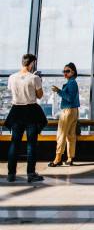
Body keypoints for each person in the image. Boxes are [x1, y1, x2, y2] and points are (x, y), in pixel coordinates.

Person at [5, 54, 47, 183]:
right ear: (32, 64)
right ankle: (31, 173)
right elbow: (39, 96)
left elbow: (11, 91)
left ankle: (11, 174)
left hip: (16, 111)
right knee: (31, 144)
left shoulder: (12, 77)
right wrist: (38, 81)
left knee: (14, 143)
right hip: (30, 112)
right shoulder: (34, 78)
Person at [48, 63, 80, 167]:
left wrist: (58, 91)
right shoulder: (73, 83)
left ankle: (57, 159)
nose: (65, 73)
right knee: (71, 135)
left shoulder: (71, 83)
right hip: (74, 111)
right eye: (64, 71)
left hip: (67, 111)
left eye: (67, 71)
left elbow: (69, 98)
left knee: (61, 135)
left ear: (73, 72)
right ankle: (70, 158)